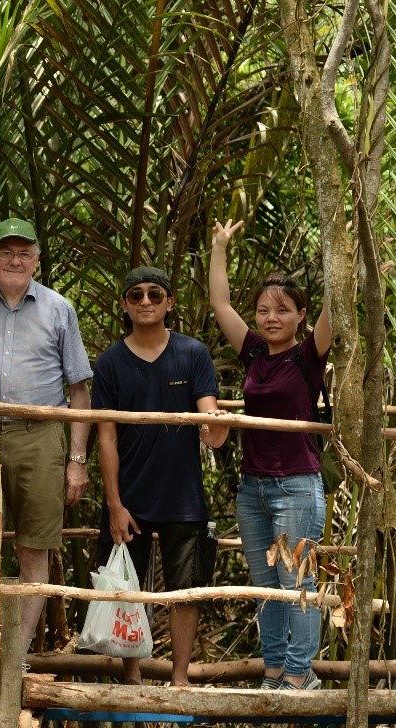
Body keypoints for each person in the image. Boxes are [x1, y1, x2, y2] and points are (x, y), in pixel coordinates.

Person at [0, 218, 93, 693]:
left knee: (34, 546)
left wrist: (77, 460)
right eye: (6, 252)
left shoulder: (59, 308)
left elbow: (78, 388)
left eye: (24, 253)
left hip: (42, 435)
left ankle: (18, 656)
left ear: (37, 260)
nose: (15, 260)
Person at [93, 266, 231, 686]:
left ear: (170, 302)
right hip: (129, 496)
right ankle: (131, 675)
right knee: (126, 588)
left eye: (155, 294)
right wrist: (114, 504)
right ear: (125, 306)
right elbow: (107, 437)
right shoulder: (111, 362)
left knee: (186, 591)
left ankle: (180, 677)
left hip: (183, 495)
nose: (146, 301)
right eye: (136, 295)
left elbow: (211, 422)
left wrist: (216, 426)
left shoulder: (193, 353)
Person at [210, 219, 333, 690]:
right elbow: (220, 302)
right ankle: (275, 670)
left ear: (301, 315)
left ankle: (301, 675)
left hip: (296, 488)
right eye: (262, 310)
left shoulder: (307, 356)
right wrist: (220, 248)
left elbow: (334, 310)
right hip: (253, 489)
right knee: (267, 587)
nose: (270, 318)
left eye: (282, 310)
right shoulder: (255, 354)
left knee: (296, 585)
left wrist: (338, 248)